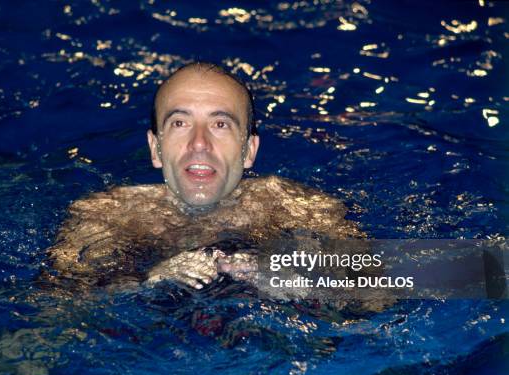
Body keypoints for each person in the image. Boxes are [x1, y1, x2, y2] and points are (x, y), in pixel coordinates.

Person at [47, 61, 362, 292]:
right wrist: (146, 284)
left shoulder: (304, 209)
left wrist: (292, 282)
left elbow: (386, 288)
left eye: (220, 124)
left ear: (249, 150)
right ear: (155, 148)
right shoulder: (103, 217)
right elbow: (54, 308)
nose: (199, 143)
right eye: (180, 123)